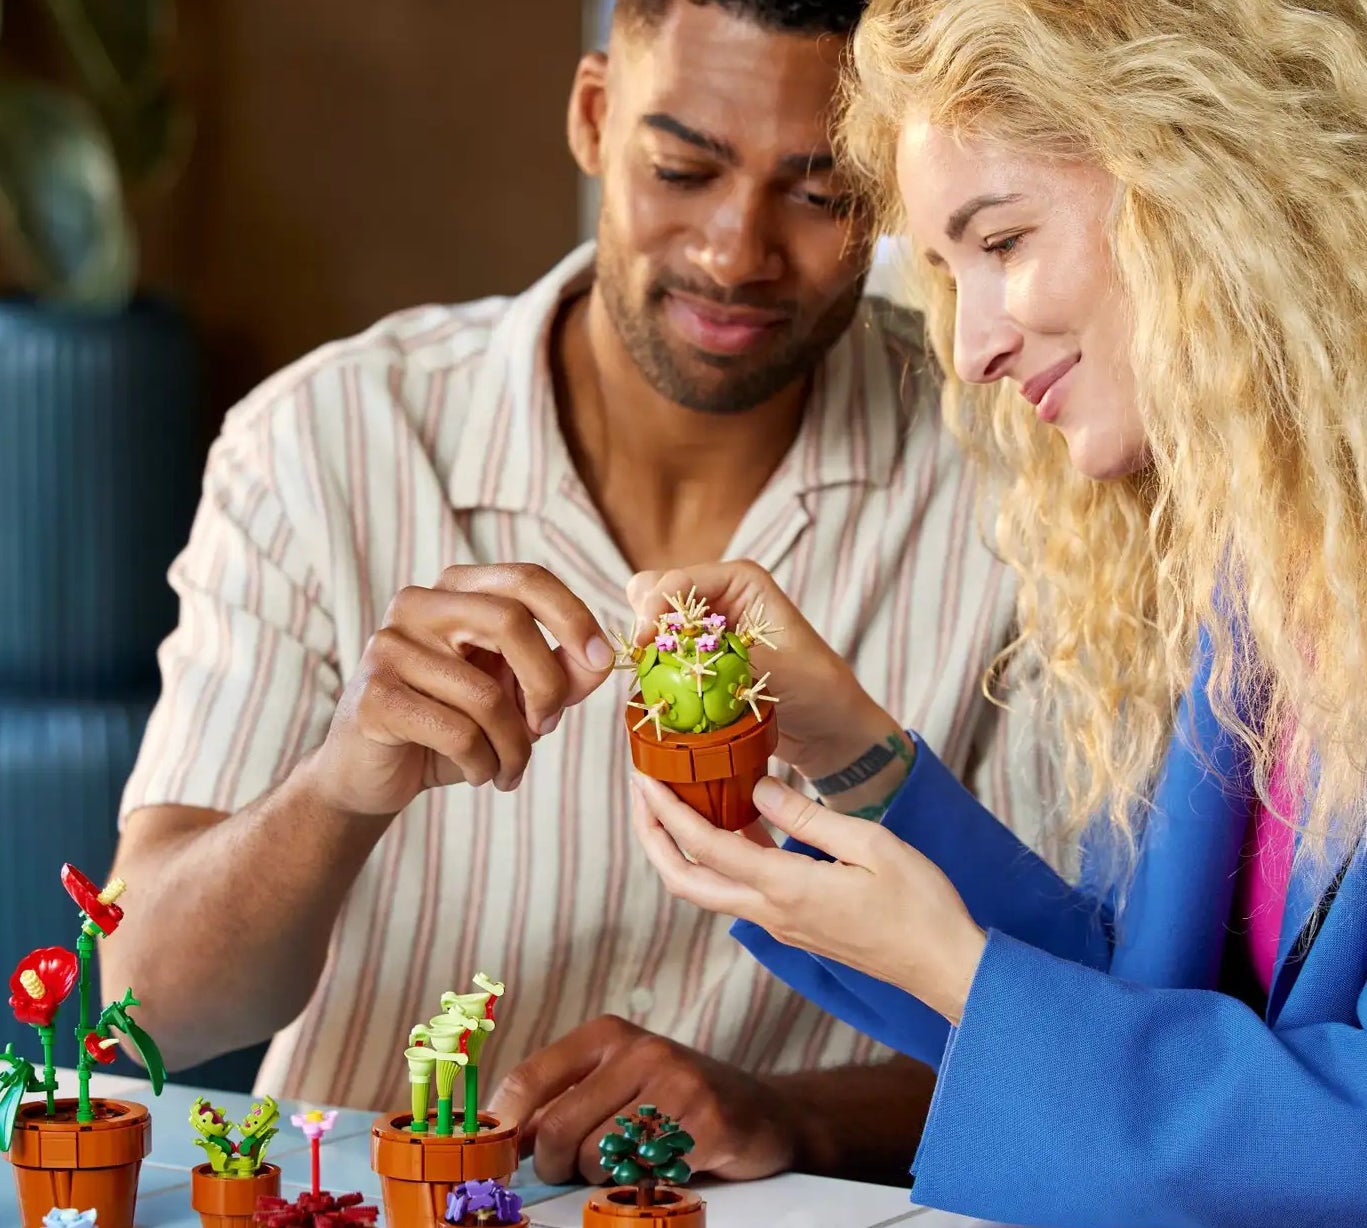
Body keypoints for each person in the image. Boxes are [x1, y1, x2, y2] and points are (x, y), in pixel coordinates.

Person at [100, 0, 1050, 1190]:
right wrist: (337, 786)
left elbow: (1083, 1010)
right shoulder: (319, 443)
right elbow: (145, 1005)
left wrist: (789, 1114)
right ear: (594, 116)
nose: (733, 250)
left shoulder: (1017, 476)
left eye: (819, 194)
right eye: (682, 168)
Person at [627, 0, 1367, 1223]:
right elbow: (1142, 1013)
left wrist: (955, 969)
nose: (967, 347)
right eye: (941, 271)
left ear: (1211, 182)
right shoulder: (1252, 577)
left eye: (1003, 240)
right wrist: (845, 748)